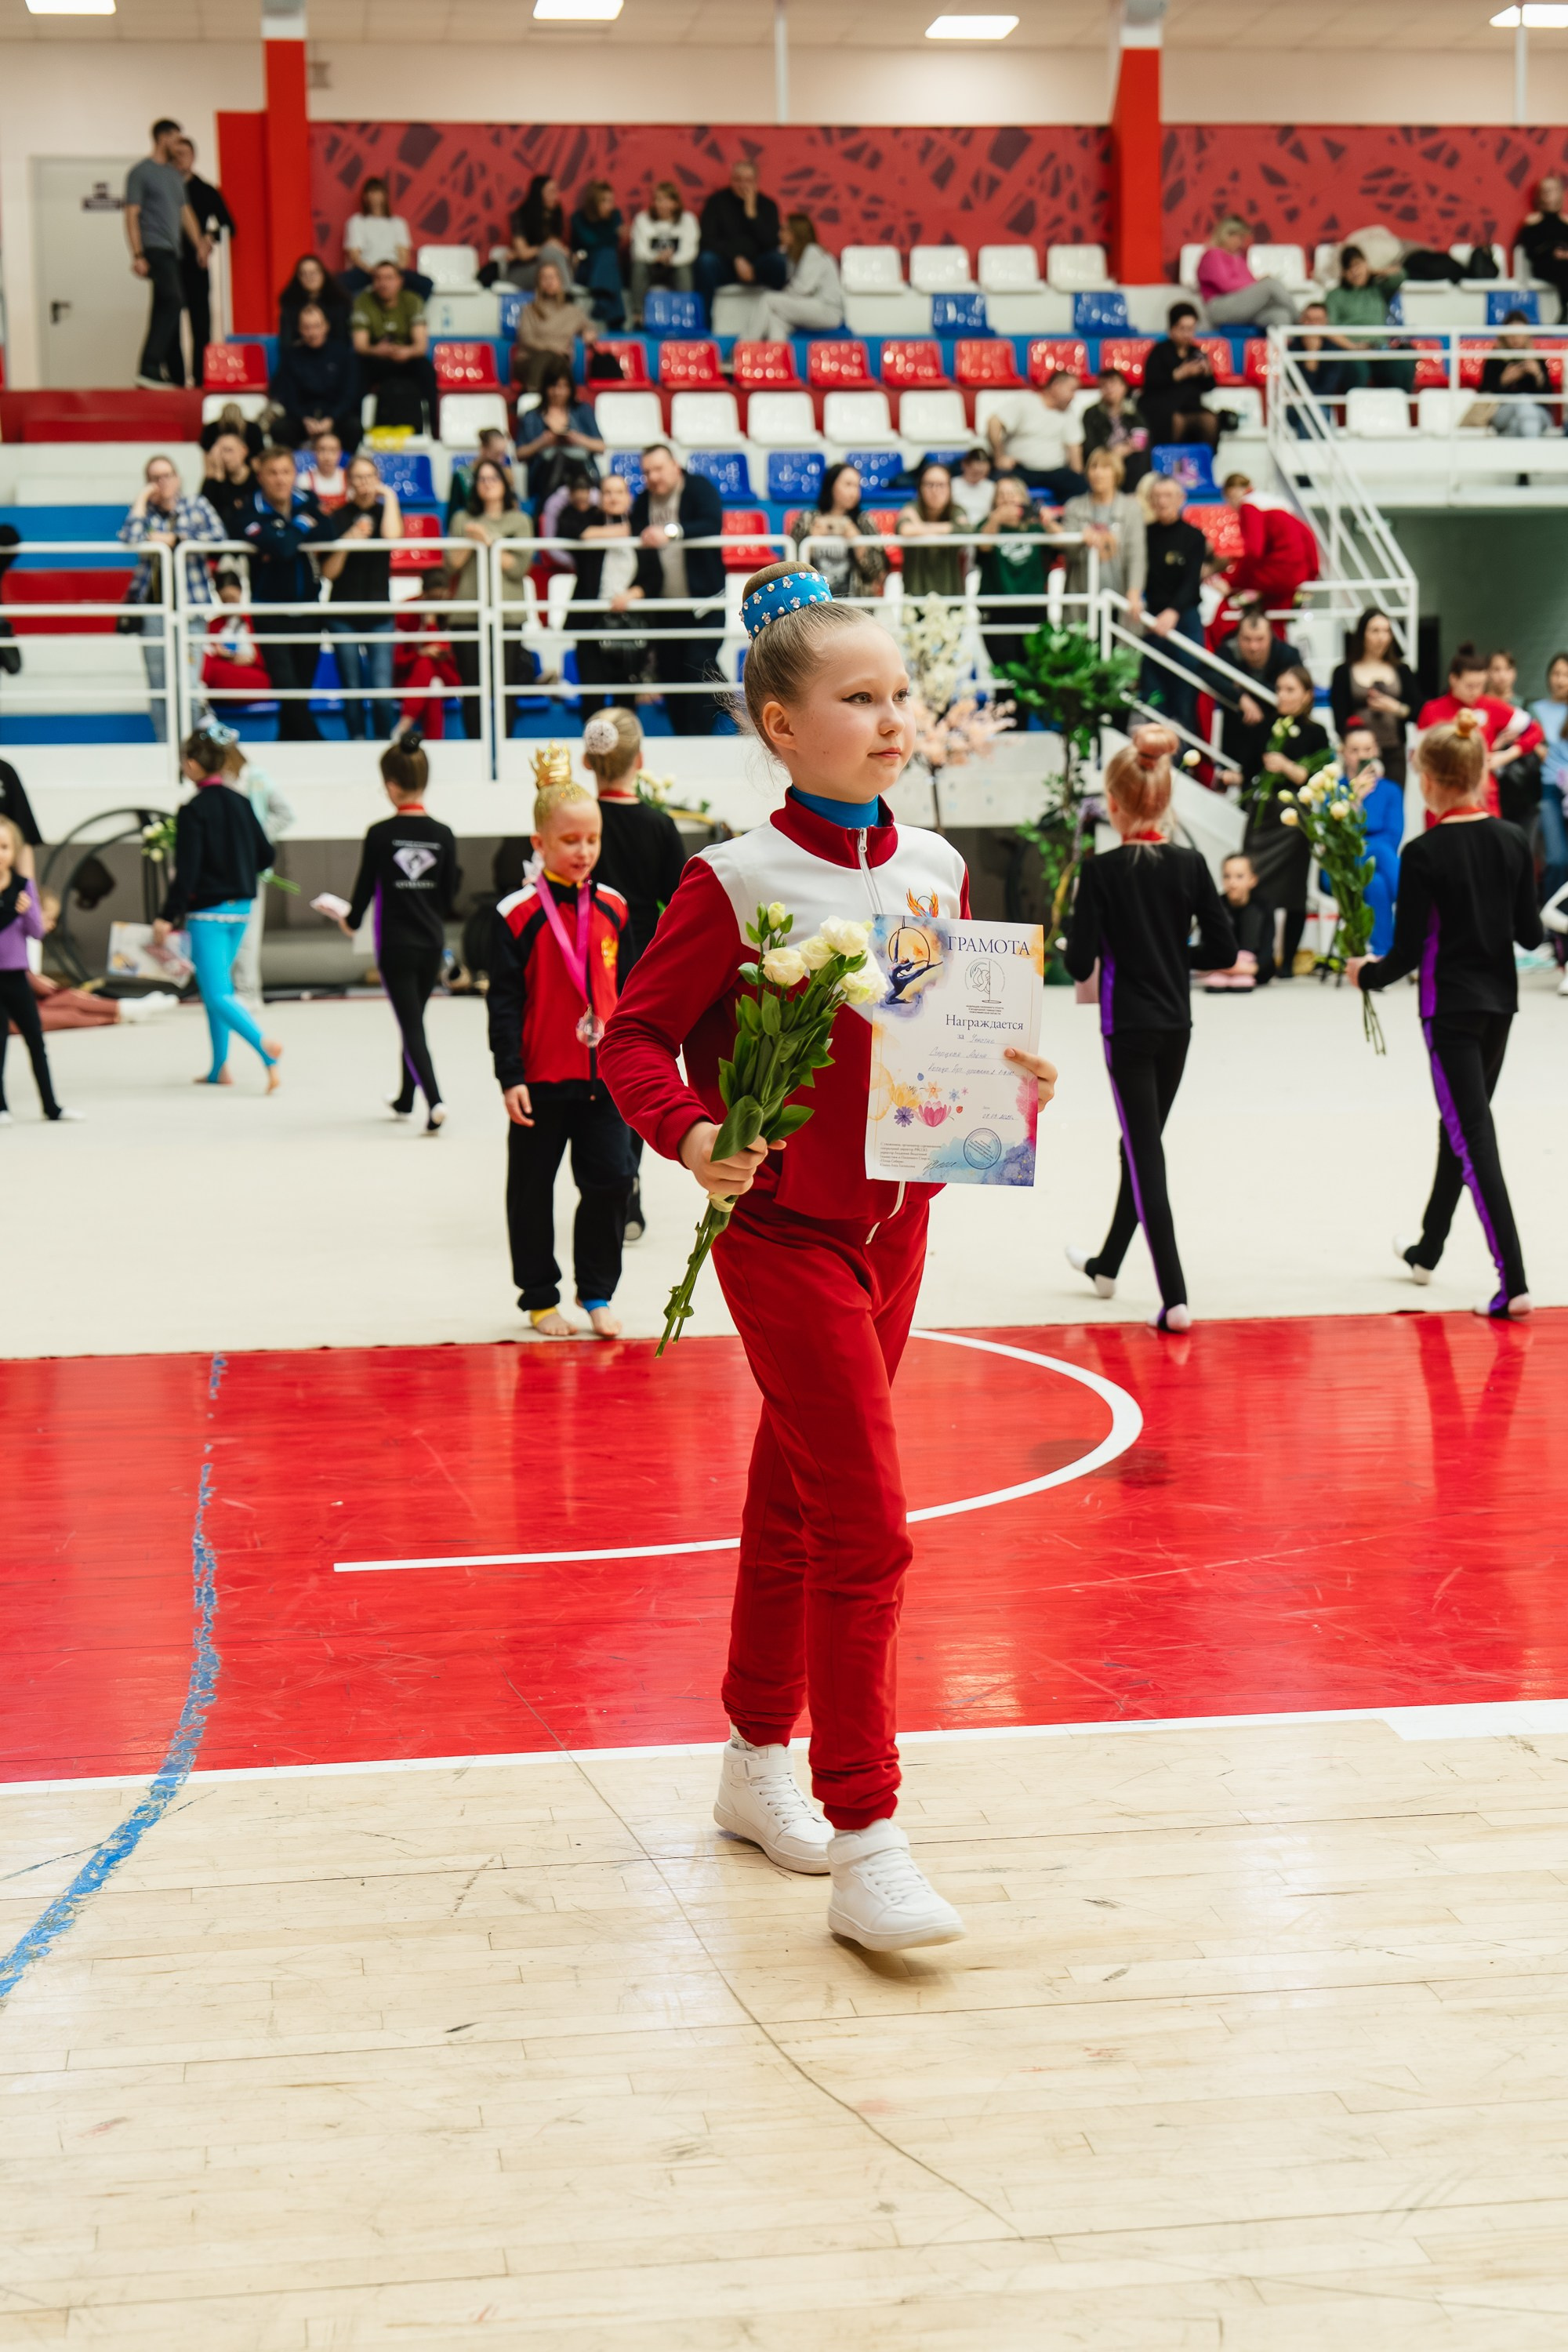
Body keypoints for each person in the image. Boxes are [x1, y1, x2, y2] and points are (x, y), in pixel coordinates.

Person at [601, 557, 1058, 1951]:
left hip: (899, 1228)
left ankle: (752, 1763)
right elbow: (628, 1040)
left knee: (800, 1502)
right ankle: (867, 1831)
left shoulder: (933, 867)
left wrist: (1006, 1083)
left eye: (900, 693)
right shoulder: (733, 879)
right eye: (859, 698)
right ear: (780, 723)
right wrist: (688, 1137)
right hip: (786, 1232)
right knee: (868, 1526)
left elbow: (926, 1057)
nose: (893, 716)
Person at [1352, 707, 1541, 1320]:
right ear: (1484, 770)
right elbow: (1532, 935)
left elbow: (1405, 953)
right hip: (1499, 1008)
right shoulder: (1514, 840)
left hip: (1450, 1011)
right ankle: (1427, 1249)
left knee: (1472, 1137)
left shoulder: (1425, 851)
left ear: (1429, 782)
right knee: (1459, 1125)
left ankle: (1512, 1279)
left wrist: (1365, 973)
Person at [1063, 724, 1235, 1327]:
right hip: (1177, 1027)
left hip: (1128, 1029)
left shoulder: (1103, 872)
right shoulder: (1190, 864)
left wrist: (1100, 948)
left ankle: (1175, 1296)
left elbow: (1078, 962)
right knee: (1137, 1145)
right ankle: (1107, 1265)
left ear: (1112, 804)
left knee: (1144, 1153)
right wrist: (1170, 955)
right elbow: (1223, 949)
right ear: (1167, 800)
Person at [489, 767, 633, 1338]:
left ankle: (597, 1292)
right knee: (531, 1192)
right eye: (570, 840)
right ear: (540, 843)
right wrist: (510, 1074)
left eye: (592, 839)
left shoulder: (616, 908)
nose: (583, 851)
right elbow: (503, 1003)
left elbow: (629, 990)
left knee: (612, 1182)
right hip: (541, 1080)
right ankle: (541, 1296)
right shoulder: (515, 914)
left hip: (604, 1080)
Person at [581, 706, 688, 1240]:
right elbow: (681, 900)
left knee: (594, 1070)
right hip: (643, 958)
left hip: (584, 957)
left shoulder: (579, 824)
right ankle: (629, 1179)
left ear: (587, 761)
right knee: (636, 1063)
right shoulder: (658, 824)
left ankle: (603, 1178)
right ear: (640, 761)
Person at [152, 726, 283, 1090]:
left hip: (207, 913)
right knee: (219, 988)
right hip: (241, 907)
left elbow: (188, 871)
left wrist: (167, 914)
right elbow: (266, 854)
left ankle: (265, 1048)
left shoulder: (194, 809)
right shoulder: (240, 801)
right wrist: (238, 868)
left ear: (192, 764)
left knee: (215, 993)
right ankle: (219, 1068)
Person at [340, 739, 458, 1133]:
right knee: (414, 1018)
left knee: (411, 1025)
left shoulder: (379, 834)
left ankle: (435, 1100)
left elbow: (363, 891)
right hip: (430, 944)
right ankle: (406, 1096)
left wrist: (349, 920)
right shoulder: (444, 834)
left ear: (390, 785)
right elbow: (446, 897)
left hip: (395, 945)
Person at [118, 454, 225, 743]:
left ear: (178, 478)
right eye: (154, 478)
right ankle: (168, 750)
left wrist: (176, 539)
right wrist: (142, 498)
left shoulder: (196, 505)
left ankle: (195, 752)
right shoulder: (146, 512)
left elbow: (219, 537)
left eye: (167, 475)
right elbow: (130, 538)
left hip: (190, 609)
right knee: (159, 687)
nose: (162, 482)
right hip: (153, 611)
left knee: (188, 685)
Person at [1241, 663, 1333, 978]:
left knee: (1294, 889)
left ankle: (1289, 963)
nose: (1283, 695)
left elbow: (1319, 778)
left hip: (1296, 816)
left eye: (1290, 689)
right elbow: (1247, 770)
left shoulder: (1317, 733)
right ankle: (1257, 955)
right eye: (1279, 689)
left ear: (1308, 695)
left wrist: (1287, 768)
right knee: (1253, 882)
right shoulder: (1263, 727)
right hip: (1263, 813)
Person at [630, 443, 726, 737]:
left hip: (704, 604)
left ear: (675, 466)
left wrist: (670, 532)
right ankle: (684, 736)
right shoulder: (643, 499)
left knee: (699, 667)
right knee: (671, 675)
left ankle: (701, 738)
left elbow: (712, 522)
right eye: (647, 472)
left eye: (658, 469)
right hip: (664, 606)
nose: (653, 477)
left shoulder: (698, 487)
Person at [239, 446, 334, 742]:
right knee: (287, 687)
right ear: (260, 476)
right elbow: (282, 549)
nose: (280, 480)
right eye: (273, 473)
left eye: (286, 472)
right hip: (269, 612)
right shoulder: (247, 511)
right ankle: (319, 747)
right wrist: (303, 526)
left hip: (309, 610)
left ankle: (286, 745)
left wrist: (285, 536)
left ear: (294, 474)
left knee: (300, 692)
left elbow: (330, 532)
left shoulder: (309, 499)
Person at [445, 456, 535, 740]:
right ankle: (475, 751)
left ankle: (505, 749)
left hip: (507, 615)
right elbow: (451, 565)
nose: (487, 484)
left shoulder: (520, 520)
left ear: (504, 484)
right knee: (472, 691)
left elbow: (519, 567)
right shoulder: (462, 518)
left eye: (493, 478)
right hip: (467, 614)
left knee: (505, 689)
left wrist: (489, 540)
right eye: (481, 479)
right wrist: (473, 541)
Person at [319, 452, 405, 740]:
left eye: (370, 476)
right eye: (358, 477)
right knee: (352, 689)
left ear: (377, 479)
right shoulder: (338, 516)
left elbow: (393, 539)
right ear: (349, 481)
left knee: (382, 691)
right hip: (343, 614)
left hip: (379, 614)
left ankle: (382, 744)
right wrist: (349, 540)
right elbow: (328, 572)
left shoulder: (385, 512)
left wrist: (389, 495)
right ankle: (356, 741)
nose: (364, 482)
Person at [0, 818, 78, 1126]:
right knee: (0, 1041)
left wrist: (24, 908)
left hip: (17, 975)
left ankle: (51, 1106)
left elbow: (36, 932)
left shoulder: (23, 886)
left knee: (35, 1039)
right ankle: (1, 1106)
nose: (0, 853)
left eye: (6, 847)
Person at [124, 119, 209, 389]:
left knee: (164, 304)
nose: (179, 144)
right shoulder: (140, 172)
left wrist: (199, 246)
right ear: (163, 138)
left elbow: (186, 214)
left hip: (174, 250)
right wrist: (137, 254)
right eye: (175, 138)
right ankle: (150, 365)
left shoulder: (174, 175)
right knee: (174, 300)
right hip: (154, 247)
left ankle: (150, 369)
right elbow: (131, 213)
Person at [1417, 644, 1544, 820]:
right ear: (1453, 679)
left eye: (1480, 685)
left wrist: (1505, 755)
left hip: (1483, 794)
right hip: (1442, 797)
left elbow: (1534, 730)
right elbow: (1418, 757)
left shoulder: (1490, 705)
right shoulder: (1432, 710)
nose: (1475, 691)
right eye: (1470, 686)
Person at [561, 468, 648, 715]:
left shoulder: (643, 528)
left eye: (619, 492)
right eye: (607, 492)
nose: (613, 497)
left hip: (630, 624)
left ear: (629, 497)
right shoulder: (587, 518)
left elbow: (654, 578)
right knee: (592, 699)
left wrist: (629, 596)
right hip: (591, 621)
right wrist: (619, 533)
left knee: (626, 702)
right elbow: (566, 528)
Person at [1141, 473, 1208, 734]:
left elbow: (1192, 582)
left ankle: (1186, 764)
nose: (1162, 502)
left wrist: (1174, 612)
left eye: (1168, 496)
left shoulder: (1194, 537)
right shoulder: (1144, 535)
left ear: (1181, 499)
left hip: (1185, 620)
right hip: (1152, 621)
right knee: (1154, 697)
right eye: (1157, 496)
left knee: (1185, 697)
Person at [1214, 476, 1319, 640]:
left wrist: (1230, 580)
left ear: (1230, 494)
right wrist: (1311, 574)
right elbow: (1308, 537)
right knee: (1277, 627)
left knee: (1221, 596)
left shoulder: (1249, 506)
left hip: (1279, 572)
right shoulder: (1277, 503)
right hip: (1295, 572)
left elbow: (1254, 551)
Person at [1212, 609, 1304, 786]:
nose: (1254, 647)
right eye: (1247, 639)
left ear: (1271, 637)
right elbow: (1207, 671)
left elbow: (1301, 686)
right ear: (1238, 638)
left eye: (1260, 639)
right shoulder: (1229, 649)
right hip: (1239, 738)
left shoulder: (1288, 654)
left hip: (1281, 739)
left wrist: (1245, 688)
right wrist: (1241, 699)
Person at [1329, 608, 1417, 785]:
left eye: (1386, 631)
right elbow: (1339, 719)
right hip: (1358, 753)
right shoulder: (1343, 672)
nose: (1381, 637)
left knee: (1392, 799)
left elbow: (1419, 709)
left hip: (1393, 749)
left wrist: (1396, 708)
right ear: (1362, 635)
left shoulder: (1402, 670)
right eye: (1375, 631)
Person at [1339, 720, 1404, 957]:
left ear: (1376, 750)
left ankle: (1380, 955)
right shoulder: (1334, 789)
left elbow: (1394, 835)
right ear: (1344, 753)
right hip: (1340, 866)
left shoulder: (1391, 790)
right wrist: (1354, 802)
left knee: (1376, 881)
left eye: (1367, 749)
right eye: (1354, 750)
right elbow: (1334, 840)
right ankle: (1413, 900)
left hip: (1380, 865)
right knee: (1379, 851)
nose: (1361, 756)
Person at [975, 474, 1051, 676]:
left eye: (1013, 493)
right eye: (1002, 495)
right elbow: (983, 546)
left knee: (1033, 675)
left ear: (1024, 498)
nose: (1008, 499)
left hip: (1032, 609)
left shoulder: (1037, 527)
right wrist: (996, 519)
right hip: (998, 611)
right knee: (1006, 674)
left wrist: (1048, 520)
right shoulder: (986, 525)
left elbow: (1061, 542)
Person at [172, 134, 233, 373]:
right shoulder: (165, 189)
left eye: (183, 155)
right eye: (174, 155)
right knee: (170, 324)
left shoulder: (205, 190)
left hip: (197, 264)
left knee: (200, 324)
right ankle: (175, 377)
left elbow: (229, 225)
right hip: (170, 263)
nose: (179, 160)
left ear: (193, 157)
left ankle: (200, 378)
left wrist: (209, 237)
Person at [351, 262, 437, 433]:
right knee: (354, 368)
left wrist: (407, 351)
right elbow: (360, 346)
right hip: (376, 358)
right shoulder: (363, 300)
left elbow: (421, 346)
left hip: (407, 358)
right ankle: (355, 426)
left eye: (389, 278)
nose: (384, 283)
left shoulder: (412, 300)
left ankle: (434, 428)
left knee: (427, 370)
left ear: (400, 281)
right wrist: (377, 350)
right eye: (378, 278)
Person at [1060, 448, 1147, 616]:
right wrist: (1080, 537)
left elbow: (1136, 555)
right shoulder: (1074, 506)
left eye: (1105, 468)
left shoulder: (1131, 509)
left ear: (1117, 473)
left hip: (1119, 598)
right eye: (1094, 467)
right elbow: (1068, 552)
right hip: (1082, 599)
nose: (1098, 473)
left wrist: (1134, 592)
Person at [270, 304, 362, 456]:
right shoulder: (292, 356)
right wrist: (304, 419)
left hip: (335, 417)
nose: (312, 332)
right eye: (307, 327)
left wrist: (331, 419)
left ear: (326, 326)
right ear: (299, 329)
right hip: (302, 419)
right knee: (280, 429)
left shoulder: (342, 354)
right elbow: (288, 394)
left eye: (316, 326)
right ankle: (290, 471)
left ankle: (345, 470)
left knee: (354, 428)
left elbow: (350, 393)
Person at [788, 464, 889, 601]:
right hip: (814, 604)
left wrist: (858, 542)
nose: (854, 492)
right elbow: (788, 569)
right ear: (831, 485)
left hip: (856, 605)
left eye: (857, 486)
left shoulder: (864, 521)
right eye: (848, 485)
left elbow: (878, 573)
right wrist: (810, 542)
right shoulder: (808, 519)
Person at [696, 158, 785, 308]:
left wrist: (752, 215)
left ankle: (780, 316)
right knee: (706, 260)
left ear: (756, 182)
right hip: (726, 264)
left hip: (757, 265)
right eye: (738, 180)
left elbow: (771, 243)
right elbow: (708, 240)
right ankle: (705, 323)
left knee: (778, 261)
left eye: (748, 180)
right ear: (731, 180)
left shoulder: (768, 205)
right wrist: (736, 259)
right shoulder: (716, 202)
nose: (743, 185)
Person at [985, 370, 1085, 502]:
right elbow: (994, 423)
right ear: (1056, 386)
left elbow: (1075, 449)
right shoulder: (1026, 402)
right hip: (1020, 470)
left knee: (1081, 486)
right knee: (996, 483)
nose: (1074, 397)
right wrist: (999, 457)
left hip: (1054, 472)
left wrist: (1078, 476)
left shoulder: (1068, 413)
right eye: (1072, 390)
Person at [516, 358, 604, 504]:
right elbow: (519, 454)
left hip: (581, 472)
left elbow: (601, 447)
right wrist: (542, 443)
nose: (559, 392)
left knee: (567, 460)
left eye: (564, 386)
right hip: (543, 477)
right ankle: (554, 503)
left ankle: (556, 505)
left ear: (571, 388)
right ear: (545, 388)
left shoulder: (582, 411)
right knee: (559, 458)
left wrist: (577, 439)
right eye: (554, 386)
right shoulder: (532, 416)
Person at [1323, 245, 1410, 390]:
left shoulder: (1377, 290)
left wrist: (1371, 272)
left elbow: (1401, 275)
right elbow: (1329, 328)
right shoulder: (1334, 296)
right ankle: (1356, 412)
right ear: (1343, 273)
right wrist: (1354, 347)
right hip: (1352, 353)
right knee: (1359, 371)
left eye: (1358, 265)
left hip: (1380, 350)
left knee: (1403, 367)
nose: (1355, 272)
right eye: (1350, 268)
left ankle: (1400, 411)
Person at [752, 212, 844, 343]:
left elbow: (800, 289)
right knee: (776, 319)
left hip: (828, 310)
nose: (779, 234)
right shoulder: (795, 257)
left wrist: (781, 297)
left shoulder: (813, 251)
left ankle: (740, 351)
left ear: (795, 232)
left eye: (784, 229)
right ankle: (777, 359)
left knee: (768, 299)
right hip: (813, 306)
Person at [1140, 304, 1218, 452]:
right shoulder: (1159, 351)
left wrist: (1207, 373)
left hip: (1190, 406)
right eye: (1183, 329)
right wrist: (1179, 374)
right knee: (1176, 420)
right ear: (1172, 328)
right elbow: (1151, 383)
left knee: (1210, 420)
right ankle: (1168, 465)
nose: (1187, 334)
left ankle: (1204, 464)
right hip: (1162, 406)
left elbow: (1210, 386)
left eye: (1191, 329)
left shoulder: (1197, 353)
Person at [510, 260, 593, 397]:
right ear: (538, 283)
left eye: (552, 277)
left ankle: (532, 396)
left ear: (560, 281)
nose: (549, 281)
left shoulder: (572, 312)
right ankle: (536, 395)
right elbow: (526, 338)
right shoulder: (529, 310)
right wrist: (554, 350)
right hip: (530, 361)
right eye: (544, 278)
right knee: (548, 358)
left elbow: (589, 326)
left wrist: (589, 332)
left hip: (559, 364)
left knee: (557, 364)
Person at [1196, 216, 1297, 329]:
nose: (1241, 242)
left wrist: (1257, 283)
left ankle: (1289, 344)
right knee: (1271, 284)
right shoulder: (1212, 255)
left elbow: (1248, 281)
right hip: (1219, 307)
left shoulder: (1239, 258)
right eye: (1239, 238)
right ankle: (1301, 322)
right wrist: (1260, 284)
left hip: (1242, 307)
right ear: (1227, 235)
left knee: (1281, 315)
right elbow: (1226, 285)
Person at [1528, 652, 1568, 936]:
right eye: (1556, 673)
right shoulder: (1536, 710)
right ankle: (1554, 932)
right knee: (1556, 859)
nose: (1560, 680)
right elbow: (1528, 741)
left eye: (1565, 674)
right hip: (1550, 791)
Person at [342, 178, 429, 297]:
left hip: (393, 271)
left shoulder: (398, 223)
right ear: (365, 197)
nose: (374, 196)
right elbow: (355, 256)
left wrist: (392, 275)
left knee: (425, 284)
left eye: (378, 192)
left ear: (385, 195)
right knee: (338, 284)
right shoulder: (357, 222)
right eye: (371, 192)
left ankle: (410, 311)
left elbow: (404, 256)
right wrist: (376, 273)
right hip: (367, 271)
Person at [1203, 850, 1274, 989]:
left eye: (1239, 876)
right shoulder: (1215, 904)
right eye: (1227, 877)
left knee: (1252, 913)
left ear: (1253, 880)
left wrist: (1250, 968)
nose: (1232, 882)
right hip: (1221, 963)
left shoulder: (1263, 906)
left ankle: (1241, 973)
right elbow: (1207, 941)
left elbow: (1267, 946)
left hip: (1252, 966)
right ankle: (1226, 974)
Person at [630, 180, 699, 324]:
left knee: (684, 271)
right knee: (638, 267)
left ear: (675, 203)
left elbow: (690, 252)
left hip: (676, 266)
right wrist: (657, 257)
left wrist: (670, 259)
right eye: (658, 200)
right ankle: (638, 317)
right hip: (651, 266)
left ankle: (685, 316)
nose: (661, 204)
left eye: (666, 200)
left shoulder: (688, 220)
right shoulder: (642, 219)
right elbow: (638, 251)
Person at [896, 461, 968, 599]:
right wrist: (948, 529)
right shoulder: (910, 508)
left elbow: (966, 529)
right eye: (930, 485)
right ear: (920, 488)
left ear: (950, 489)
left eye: (941, 485)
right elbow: (905, 529)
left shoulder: (957, 510)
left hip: (951, 593)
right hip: (915, 593)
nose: (935, 491)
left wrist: (919, 526)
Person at [201, 570, 269, 708]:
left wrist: (251, 659)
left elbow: (271, 659)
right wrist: (224, 655)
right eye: (225, 600)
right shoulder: (214, 625)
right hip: (221, 675)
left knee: (209, 668)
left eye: (232, 598)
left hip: (251, 675)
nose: (229, 604)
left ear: (241, 592)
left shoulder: (254, 622)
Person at [1481, 314, 1554, 439]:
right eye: (1511, 334)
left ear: (1527, 335)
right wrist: (1503, 381)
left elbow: (1548, 398)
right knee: (1523, 401)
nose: (1516, 338)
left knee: (1518, 423)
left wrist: (1538, 375)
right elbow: (1484, 394)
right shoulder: (1495, 359)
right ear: (1504, 336)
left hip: (1537, 413)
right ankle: (1533, 451)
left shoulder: (1536, 359)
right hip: (1503, 412)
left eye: (1520, 334)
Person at [1287, 301, 1349, 434]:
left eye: (1317, 320)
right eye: (1308, 320)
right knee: (1311, 412)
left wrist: (1312, 354)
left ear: (1325, 323)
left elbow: (1327, 390)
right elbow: (1292, 388)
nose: (1312, 325)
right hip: (1294, 409)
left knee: (1315, 412)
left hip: (1318, 407)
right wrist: (1311, 353)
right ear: (1301, 321)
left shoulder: (1333, 350)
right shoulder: (1292, 348)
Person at [1080, 366, 1149, 486]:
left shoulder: (1133, 412)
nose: (1110, 389)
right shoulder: (1091, 413)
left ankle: (1134, 494)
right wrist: (1112, 453)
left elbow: (1142, 437)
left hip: (1128, 457)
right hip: (1104, 458)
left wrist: (1126, 449)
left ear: (1124, 387)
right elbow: (1090, 447)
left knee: (1139, 456)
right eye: (1104, 385)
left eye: (1114, 384)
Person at [571, 180, 626, 328]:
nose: (611, 205)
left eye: (612, 201)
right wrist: (614, 233)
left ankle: (603, 302)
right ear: (594, 203)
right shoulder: (578, 218)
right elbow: (590, 242)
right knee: (607, 254)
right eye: (605, 201)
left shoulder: (615, 216)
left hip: (606, 270)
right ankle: (614, 316)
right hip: (585, 269)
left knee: (608, 256)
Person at [504, 173, 572, 292]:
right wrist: (546, 247)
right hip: (523, 271)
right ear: (539, 194)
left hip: (549, 269)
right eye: (551, 191)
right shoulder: (522, 215)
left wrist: (562, 251)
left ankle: (563, 296)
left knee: (558, 260)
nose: (556, 196)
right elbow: (523, 254)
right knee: (551, 256)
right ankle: (566, 296)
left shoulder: (556, 214)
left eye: (556, 191)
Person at [445, 428, 516, 528]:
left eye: (503, 454)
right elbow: (451, 516)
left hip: (502, 527)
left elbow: (514, 509)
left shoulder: (506, 475)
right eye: (496, 454)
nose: (501, 460)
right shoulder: (462, 476)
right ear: (483, 449)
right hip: (471, 526)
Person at [1519, 174, 1568, 314]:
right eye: (1545, 190)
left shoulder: (1566, 223)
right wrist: (1552, 253)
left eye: (1552, 190)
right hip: (1545, 266)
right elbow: (1530, 251)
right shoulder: (1532, 222)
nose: (1548, 194)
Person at [278, 254, 353, 347]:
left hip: (333, 355)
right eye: (304, 274)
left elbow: (343, 338)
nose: (310, 277)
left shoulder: (339, 302)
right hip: (300, 355)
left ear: (322, 274)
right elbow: (286, 342)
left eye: (313, 272)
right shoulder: (290, 304)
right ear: (298, 278)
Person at [201, 430, 256, 543]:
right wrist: (219, 477)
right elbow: (209, 517)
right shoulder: (213, 483)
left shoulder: (257, 480)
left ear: (244, 451)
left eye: (229, 450)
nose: (225, 457)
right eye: (220, 452)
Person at [298, 429, 348, 511]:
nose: (327, 457)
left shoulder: (349, 479)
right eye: (322, 450)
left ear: (340, 454)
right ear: (314, 453)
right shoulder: (304, 480)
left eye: (333, 451)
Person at [947, 445, 995, 530]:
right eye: (975, 472)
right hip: (957, 529)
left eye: (981, 472)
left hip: (984, 530)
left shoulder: (992, 487)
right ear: (964, 465)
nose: (978, 472)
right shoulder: (952, 485)